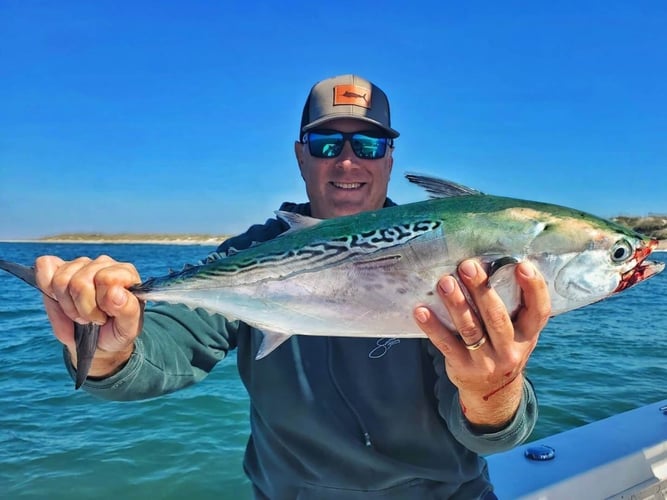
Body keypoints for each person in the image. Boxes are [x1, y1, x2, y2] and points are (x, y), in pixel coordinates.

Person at [34, 74, 551, 499]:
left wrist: (493, 391)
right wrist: (110, 351)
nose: (347, 162)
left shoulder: (448, 255)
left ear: (388, 160)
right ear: (301, 157)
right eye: (327, 144)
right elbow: (169, 345)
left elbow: (487, 433)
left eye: (368, 144)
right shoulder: (249, 254)